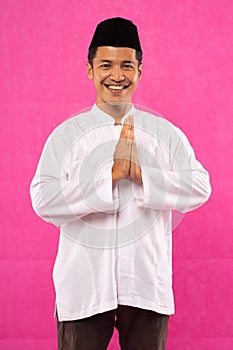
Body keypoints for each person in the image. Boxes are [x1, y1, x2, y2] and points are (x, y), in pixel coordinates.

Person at [30, 17, 211, 350]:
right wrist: (109, 177)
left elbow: (200, 186)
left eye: (127, 65)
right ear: (90, 69)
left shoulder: (164, 133)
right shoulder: (67, 135)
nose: (117, 76)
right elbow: (42, 198)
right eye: (106, 65)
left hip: (146, 282)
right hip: (83, 284)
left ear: (139, 71)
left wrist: (142, 174)